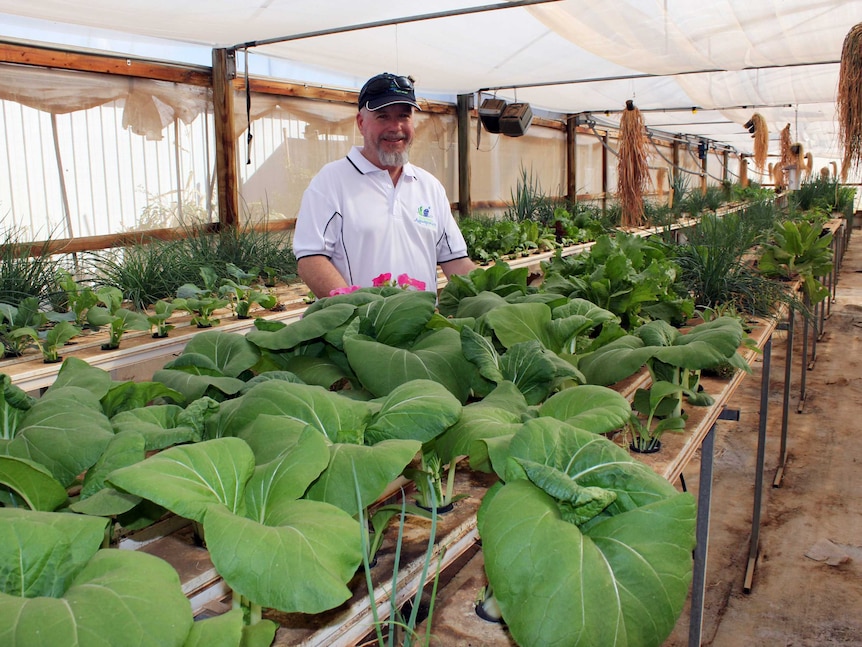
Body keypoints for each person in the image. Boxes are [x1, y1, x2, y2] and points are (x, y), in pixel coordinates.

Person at [293, 72, 476, 298]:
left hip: (423, 327)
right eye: (383, 117)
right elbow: (311, 259)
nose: (395, 127)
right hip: (360, 328)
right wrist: (355, 312)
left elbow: (455, 260)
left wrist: (492, 294)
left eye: (404, 116)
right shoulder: (331, 181)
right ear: (361, 123)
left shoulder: (429, 186)